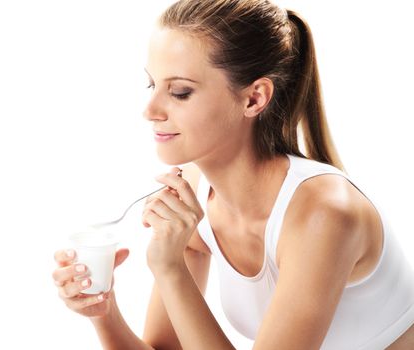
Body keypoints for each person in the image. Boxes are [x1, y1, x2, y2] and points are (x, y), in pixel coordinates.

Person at [52, 0, 414, 348]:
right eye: (152, 85)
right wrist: (103, 309)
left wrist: (170, 268)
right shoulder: (195, 190)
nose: (150, 110)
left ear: (254, 99)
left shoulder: (324, 213)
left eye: (180, 92)